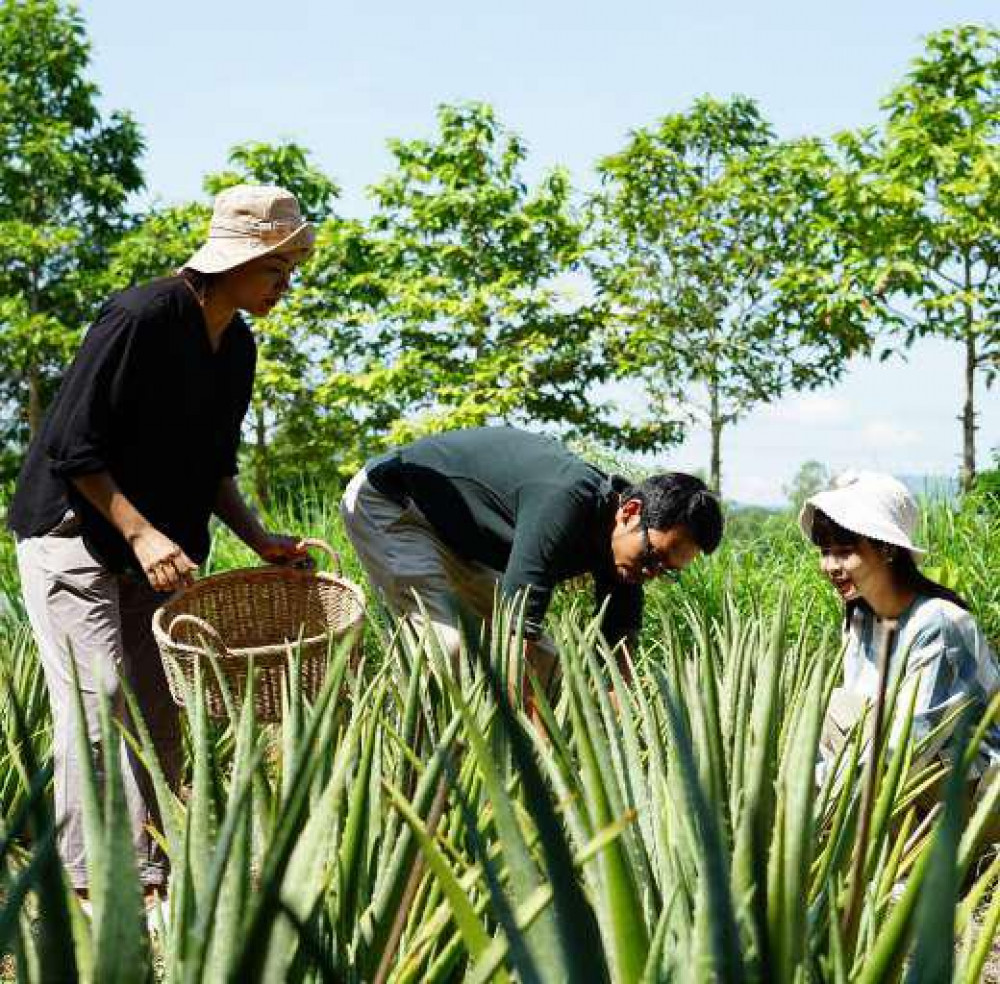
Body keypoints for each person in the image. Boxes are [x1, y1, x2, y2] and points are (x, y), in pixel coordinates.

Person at [7, 184, 315, 897]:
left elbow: (214, 468)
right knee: (97, 702)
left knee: (158, 711)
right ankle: (87, 891)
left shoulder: (236, 346)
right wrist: (142, 533)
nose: (285, 284)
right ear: (237, 259)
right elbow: (70, 447)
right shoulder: (140, 316)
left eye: (289, 268)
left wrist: (260, 538)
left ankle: (152, 882)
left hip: (156, 558)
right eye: (276, 268)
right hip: (73, 539)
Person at [341, 426, 724, 689]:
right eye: (653, 557)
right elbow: (516, 633)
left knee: (549, 664)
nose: (651, 573)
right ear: (630, 512)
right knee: (450, 649)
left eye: (665, 571)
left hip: (463, 540)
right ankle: (421, 762)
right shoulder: (565, 502)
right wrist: (538, 747)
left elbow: (618, 651)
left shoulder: (626, 553)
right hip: (395, 504)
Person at [799, 471, 1000, 784]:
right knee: (834, 705)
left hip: (965, 786)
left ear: (888, 549)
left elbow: (911, 746)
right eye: (825, 552)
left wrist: (811, 783)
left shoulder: (938, 625)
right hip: (901, 769)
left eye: (845, 552)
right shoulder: (860, 618)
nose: (830, 567)